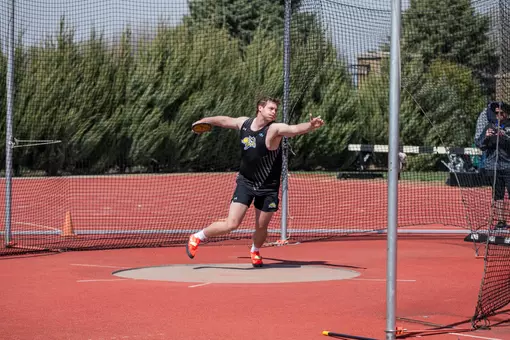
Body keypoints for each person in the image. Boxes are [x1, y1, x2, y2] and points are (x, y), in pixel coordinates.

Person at [186, 97, 325, 267]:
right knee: (232, 223)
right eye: (271, 108)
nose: (274, 112)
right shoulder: (244, 123)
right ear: (260, 108)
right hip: (246, 182)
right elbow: (223, 120)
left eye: (275, 109)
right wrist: (204, 120)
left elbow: (294, 129)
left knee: (261, 227)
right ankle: (197, 237)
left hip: (268, 188)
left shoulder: (274, 129)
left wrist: (310, 126)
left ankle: (255, 250)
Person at [474, 101, 510, 229]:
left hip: (508, 165)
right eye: (496, 113)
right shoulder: (489, 126)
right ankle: (501, 221)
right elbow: (480, 145)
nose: (498, 115)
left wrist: (504, 136)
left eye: (500, 113)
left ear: (505, 114)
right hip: (493, 166)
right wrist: (487, 137)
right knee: (497, 195)